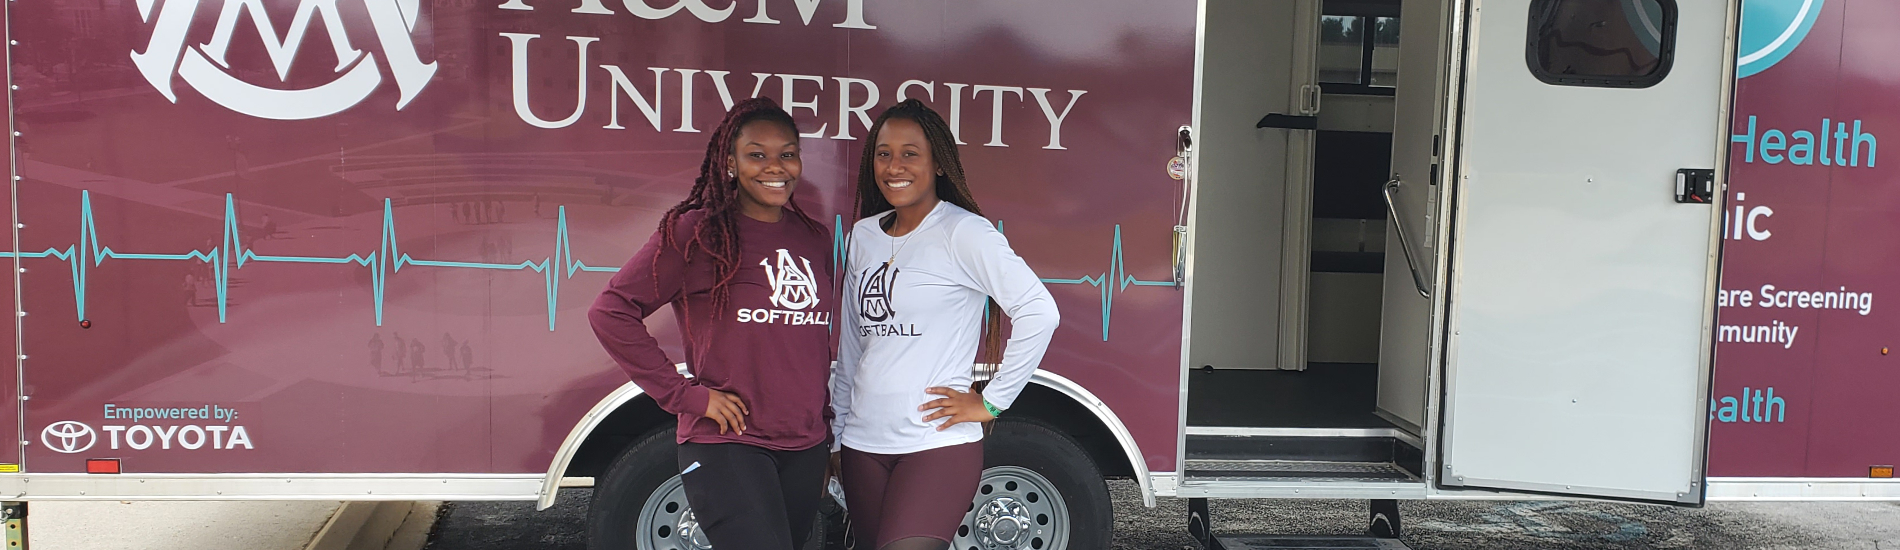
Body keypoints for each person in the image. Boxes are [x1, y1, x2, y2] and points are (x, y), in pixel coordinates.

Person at [588, 97, 835, 549]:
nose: (774, 166)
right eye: (756, 154)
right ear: (729, 163)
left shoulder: (813, 237)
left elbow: (814, 345)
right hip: (728, 442)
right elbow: (611, 311)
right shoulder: (696, 234)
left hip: (805, 444)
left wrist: (826, 436)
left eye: (787, 153)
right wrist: (685, 396)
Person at [831, 99, 1061, 550]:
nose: (894, 165)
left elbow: (1040, 312)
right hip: (862, 445)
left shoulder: (964, 233)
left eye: (910, 153)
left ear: (938, 163)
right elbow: (853, 346)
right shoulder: (863, 235)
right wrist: (838, 437)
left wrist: (990, 403)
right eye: (883, 153)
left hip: (936, 446)